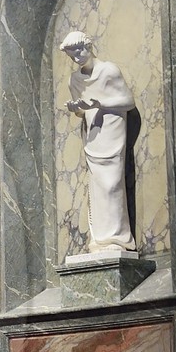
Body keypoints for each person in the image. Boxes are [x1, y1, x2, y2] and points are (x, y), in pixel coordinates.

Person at [61, 31, 137, 253]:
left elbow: (128, 101)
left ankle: (119, 238)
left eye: (79, 51)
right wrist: (77, 109)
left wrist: (99, 103)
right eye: (71, 55)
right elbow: (81, 110)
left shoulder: (109, 70)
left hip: (112, 130)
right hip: (93, 133)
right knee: (97, 187)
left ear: (88, 45)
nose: (77, 57)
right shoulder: (74, 79)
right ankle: (101, 239)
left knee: (112, 183)